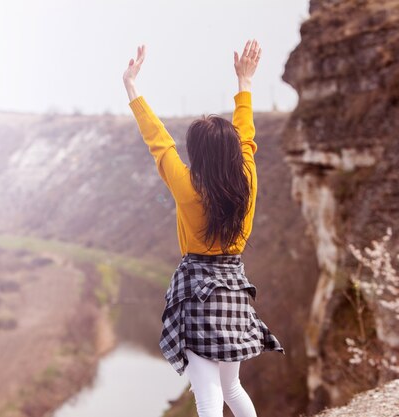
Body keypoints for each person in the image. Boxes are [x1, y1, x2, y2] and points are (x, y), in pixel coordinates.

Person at [123, 39, 284, 417]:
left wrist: (132, 87)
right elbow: (246, 134)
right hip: (235, 290)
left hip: (197, 290)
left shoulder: (187, 185)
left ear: (197, 155)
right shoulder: (247, 178)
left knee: (207, 393)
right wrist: (244, 82)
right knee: (232, 386)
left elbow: (159, 143)